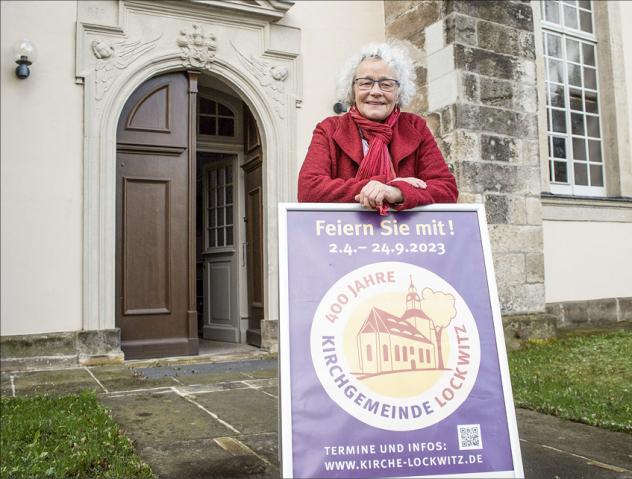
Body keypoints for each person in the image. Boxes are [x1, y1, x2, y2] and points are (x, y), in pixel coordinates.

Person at [298, 43, 458, 214]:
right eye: (365, 83)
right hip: (344, 236)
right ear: (352, 89)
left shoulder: (415, 127)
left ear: (399, 92)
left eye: (386, 84)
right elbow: (309, 190)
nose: (375, 91)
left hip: (405, 237)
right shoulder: (328, 129)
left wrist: (397, 192)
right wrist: (384, 186)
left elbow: (447, 189)